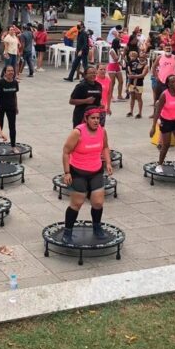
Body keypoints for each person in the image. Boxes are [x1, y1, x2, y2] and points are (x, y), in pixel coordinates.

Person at [61, 108, 112, 242]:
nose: (96, 121)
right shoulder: (78, 132)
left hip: (96, 171)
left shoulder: (102, 131)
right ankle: (68, 231)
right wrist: (67, 173)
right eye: (93, 118)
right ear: (86, 119)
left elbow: (105, 147)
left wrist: (108, 163)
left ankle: (97, 227)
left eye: (98, 118)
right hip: (78, 172)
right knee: (77, 203)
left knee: (98, 202)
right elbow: (66, 152)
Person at [0, 66, 19, 153]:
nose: (11, 72)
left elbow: (15, 95)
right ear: (5, 72)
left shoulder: (15, 82)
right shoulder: (0, 82)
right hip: (0, 107)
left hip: (11, 107)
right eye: (9, 71)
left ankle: (13, 146)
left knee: (12, 127)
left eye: (12, 71)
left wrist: (16, 106)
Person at [126, 51, 147, 118]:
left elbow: (142, 75)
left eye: (143, 57)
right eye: (140, 57)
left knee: (139, 98)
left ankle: (140, 113)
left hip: (139, 84)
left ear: (145, 58)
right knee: (132, 97)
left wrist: (133, 76)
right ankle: (131, 111)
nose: (141, 58)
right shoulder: (137, 63)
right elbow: (131, 69)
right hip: (132, 82)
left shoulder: (146, 66)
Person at [107, 36, 125, 101]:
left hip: (117, 66)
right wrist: (120, 54)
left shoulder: (117, 50)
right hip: (112, 66)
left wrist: (122, 64)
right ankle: (110, 95)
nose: (120, 44)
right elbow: (115, 59)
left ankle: (119, 95)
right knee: (112, 82)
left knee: (121, 81)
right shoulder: (112, 50)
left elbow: (118, 60)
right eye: (119, 43)